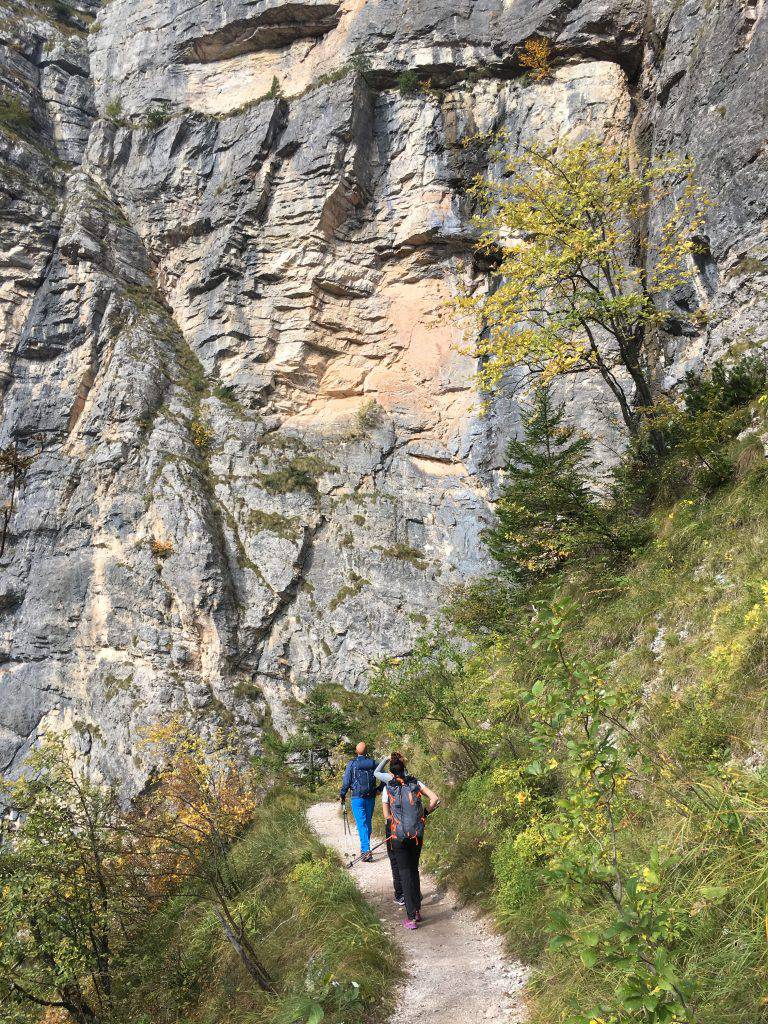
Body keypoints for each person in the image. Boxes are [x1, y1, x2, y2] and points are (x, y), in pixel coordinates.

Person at [375, 752, 439, 930]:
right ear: (405, 768)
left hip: (398, 836)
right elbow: (434, 799)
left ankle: (411, 917)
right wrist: (424, 813)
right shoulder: (415, 783)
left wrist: (395, 823)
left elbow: (387, 816)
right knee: (413, 870)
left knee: (404, 873)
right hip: (417, 834)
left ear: (391, 771)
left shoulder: (389, 787)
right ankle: (417, 910)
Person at [340, 741, 380, 862]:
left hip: (357, 798)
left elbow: (346, 781)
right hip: (370, 797)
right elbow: (384, 776)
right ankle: (365, 849)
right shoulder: (373, 763)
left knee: (361, 824)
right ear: (366, 751)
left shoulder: (352, 764)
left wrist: (342, 794)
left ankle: (366, 851)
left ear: (356, 751)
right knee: (367, 823)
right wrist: (379, 789)